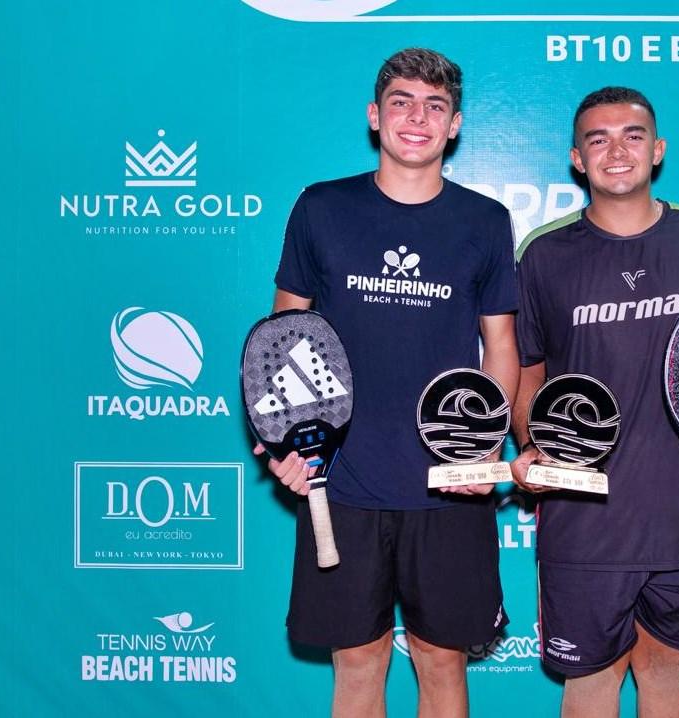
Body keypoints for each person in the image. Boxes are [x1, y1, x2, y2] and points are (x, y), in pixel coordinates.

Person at [254, 48, 519, 718]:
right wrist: (287, 446)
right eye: (402, 101)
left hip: (447, 483)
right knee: (360, 660)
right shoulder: (321, 209)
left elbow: (503, 346)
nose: (417, 117)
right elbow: (285, 334)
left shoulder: (485, 222)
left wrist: (486, 449)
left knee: (440, 661)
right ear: (376, 116)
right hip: (341, 477)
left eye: (435, 106)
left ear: (454, 125)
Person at [510, 86, 679, 718]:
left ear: (657, 150)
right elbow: (527, 373)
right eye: (597, 139)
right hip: (584, 516)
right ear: (577, 159)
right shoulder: (543, 254)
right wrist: (531, 445)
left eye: (632, 135)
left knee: (667, 671)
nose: (616, 150)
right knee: (592, 685)